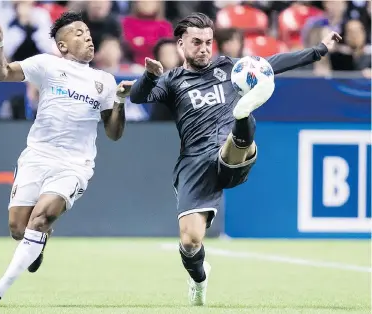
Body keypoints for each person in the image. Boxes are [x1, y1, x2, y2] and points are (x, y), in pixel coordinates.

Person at [129, 12, 340, 306]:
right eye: (197, 43)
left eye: (208, 42)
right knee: (190, 241)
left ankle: (242, 117)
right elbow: (138, 97)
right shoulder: (172, 81)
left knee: (240, 125)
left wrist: (319, 49)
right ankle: (199, 277)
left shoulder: (230, 68)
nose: (204, 48)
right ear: (181, 44)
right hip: (195, 162)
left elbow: (275, 63)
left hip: (232, 153)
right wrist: (150, 75)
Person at [0, 11, 134, 307]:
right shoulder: (46, 65)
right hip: (37, 157)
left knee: (41, 218)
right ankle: (39, 240)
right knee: (18, 230)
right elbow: (2, 74)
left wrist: (121, 101)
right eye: (78, 33)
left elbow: (114, 133)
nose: (87, 36)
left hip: (75, 165)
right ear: (62, 46)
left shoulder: (104, 81)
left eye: (88, 31)